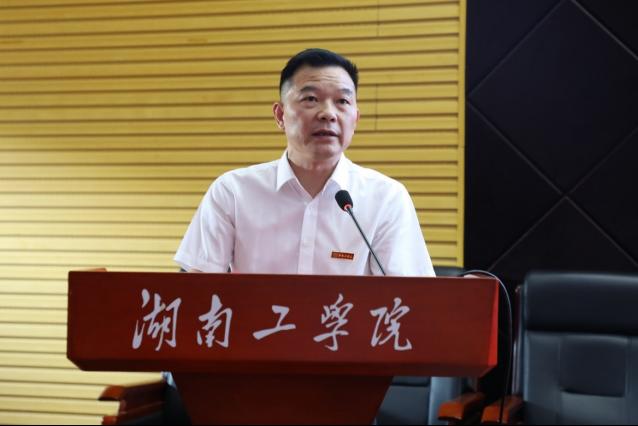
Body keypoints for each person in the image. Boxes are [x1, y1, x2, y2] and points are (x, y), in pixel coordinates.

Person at [175, 48, 434, 277]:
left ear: (355, 119)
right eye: (311, 99)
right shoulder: (233, 192)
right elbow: (197, 294)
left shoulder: (386, 197)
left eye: (342, 101)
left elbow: (409, 300)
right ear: (280, 115)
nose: (328, 113)